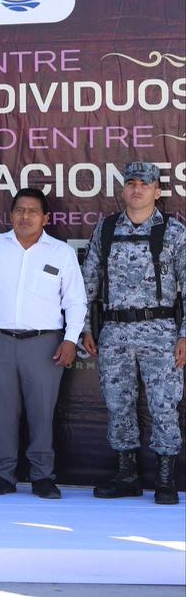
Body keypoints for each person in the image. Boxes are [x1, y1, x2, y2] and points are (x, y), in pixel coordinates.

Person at [81, 161, 185, 505]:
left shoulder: (173, 232)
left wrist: (185, 335)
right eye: (131, 183)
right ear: (123, 189)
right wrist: (85, 328)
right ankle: (126, 475)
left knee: (164, 404)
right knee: (118, 403)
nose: (137, 189)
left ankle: (166, 480)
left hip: (161, 332)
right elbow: (88, 283)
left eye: (145, 183)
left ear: (158, 191)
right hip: (115, 331)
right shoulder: (107, 228)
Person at [0, 187, 86, 499]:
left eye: (33, 211)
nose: (25, 216)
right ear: (11, 215)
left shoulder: (60, 253)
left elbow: (75, 301)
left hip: (44, 344)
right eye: (20, 210)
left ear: (46, 218)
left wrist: (70, 340)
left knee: (42, 413)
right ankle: (2, 474)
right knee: (3, 413)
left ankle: (42, 476)